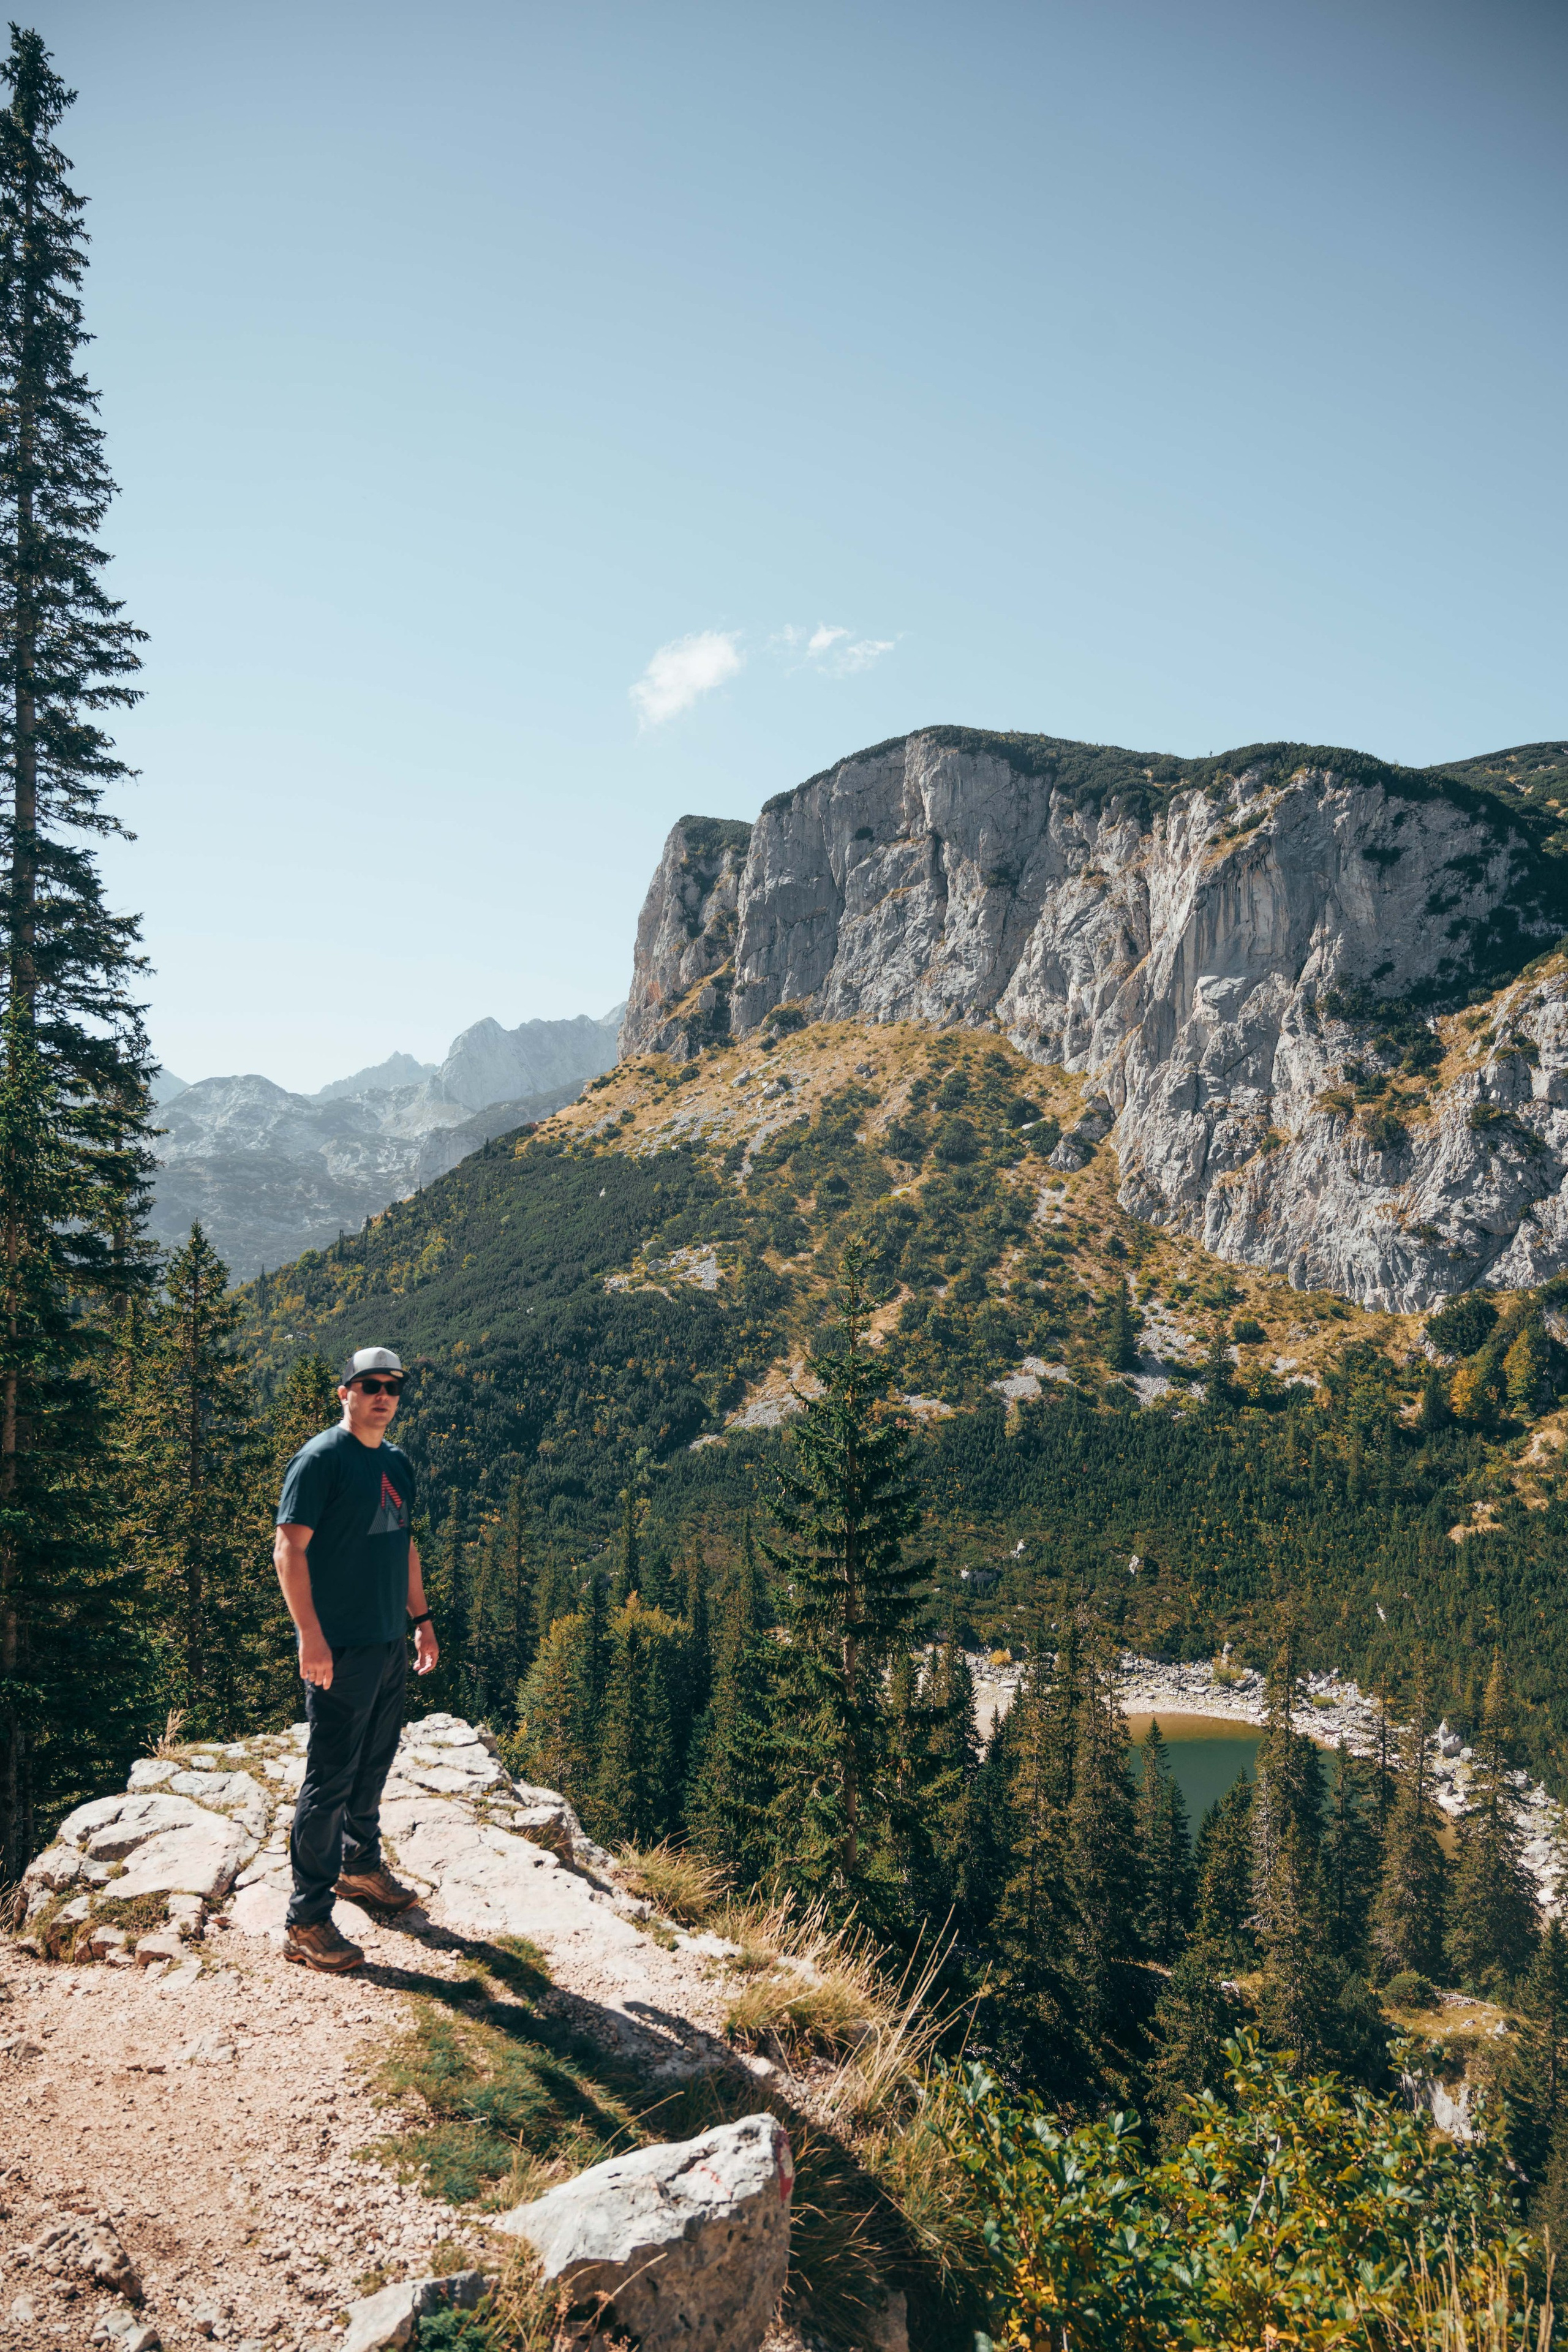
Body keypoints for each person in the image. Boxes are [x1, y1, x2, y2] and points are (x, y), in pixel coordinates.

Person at [273, 1346, 439, 1972]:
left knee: (374, 1760)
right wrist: (309, 1636)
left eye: (393, 1387)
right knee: (329, 1780)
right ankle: (306, 1920)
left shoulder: (395, 1462)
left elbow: (404, 1547)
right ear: (344, 1393)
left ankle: (361, 1867)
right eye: (368, 1385)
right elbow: (288, 1551)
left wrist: (421, 1623)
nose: (382, 1396)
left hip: (387, 1641)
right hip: (339, 1645)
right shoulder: (321, 1460)